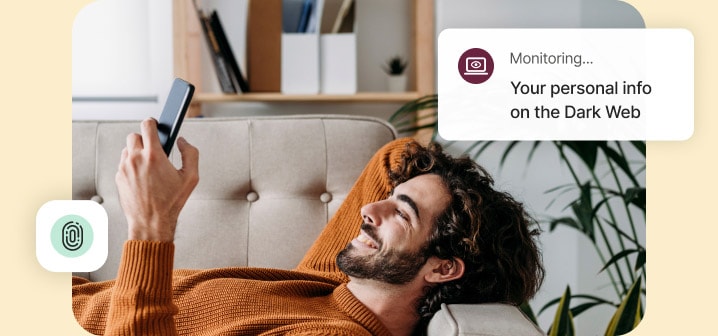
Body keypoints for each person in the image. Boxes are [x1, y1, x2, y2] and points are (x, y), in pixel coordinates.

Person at [72, 118, 544, 336]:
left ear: (443, 269)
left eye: (401, 213)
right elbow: (393, 156)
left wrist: (150, 228)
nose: (368, 212)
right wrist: (441, 186)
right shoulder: (331, 284)